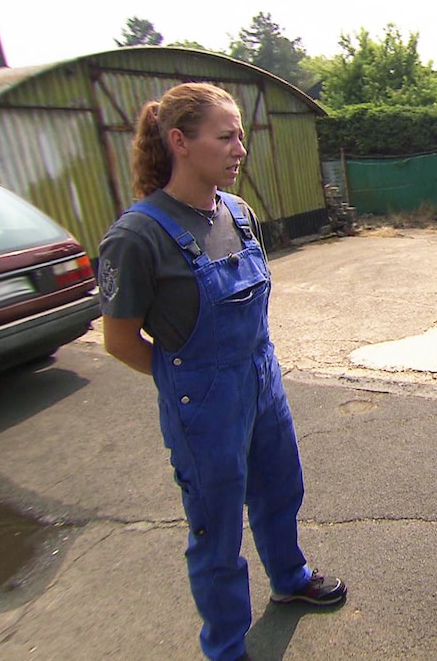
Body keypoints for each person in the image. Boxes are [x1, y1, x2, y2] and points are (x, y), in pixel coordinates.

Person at [96, 82, 345, 661]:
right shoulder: (137, 236)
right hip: (203, 401)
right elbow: (119, 341)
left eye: (241, 136)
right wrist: (189, 383)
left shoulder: (238, 212)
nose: (240, 149)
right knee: (217, 529)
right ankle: (227, 646)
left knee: (281, 488)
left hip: (263, 378)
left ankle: (289, 578)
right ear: (179, 142)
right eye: (226, 137)